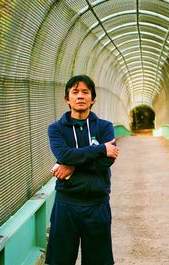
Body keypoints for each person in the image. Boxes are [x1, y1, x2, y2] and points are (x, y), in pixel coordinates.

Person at [45, 75, 119, 265]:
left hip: (97, 205)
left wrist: (72, 164)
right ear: (67, 99)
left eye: (85, 92)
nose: (80, 96)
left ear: (93, 99)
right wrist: (101, 149)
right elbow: (64, 155)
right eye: (75, 92)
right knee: (59, 261)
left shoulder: (105, 127)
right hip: (66, 205)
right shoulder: (56, 129)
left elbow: (105, 163)